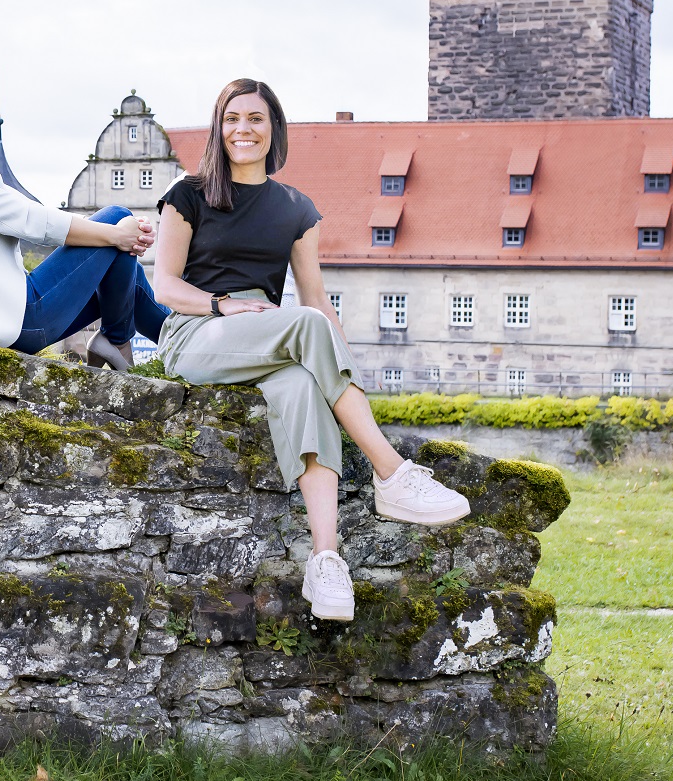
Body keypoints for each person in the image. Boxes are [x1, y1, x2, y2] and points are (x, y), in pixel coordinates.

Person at [151, 78, 470, 621]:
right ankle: (391, 473)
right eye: (232, 118)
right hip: (199, 329)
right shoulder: (189, 194)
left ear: (273, 128)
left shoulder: (297, 210)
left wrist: (341, 376)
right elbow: (164, 285)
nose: (242, 129)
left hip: (275, 334)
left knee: (304, 386)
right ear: (218, 128)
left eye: (255, 118)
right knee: (301, 326)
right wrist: (222, 305)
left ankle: (325, 561)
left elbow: (317, 301)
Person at [0, 44, 166, 365]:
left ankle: (174, 341)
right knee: (117, 218)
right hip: (7, 322)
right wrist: (115, 234)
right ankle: (126, 341)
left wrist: (119, 238)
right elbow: (26, 219)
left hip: (15, 312)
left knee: (124, 269)